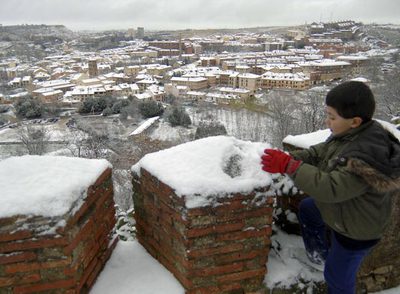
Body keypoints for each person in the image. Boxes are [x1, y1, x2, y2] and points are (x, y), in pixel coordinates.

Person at [261, 81, 400, 293]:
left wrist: (289, 166)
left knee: (336, 278)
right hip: (345, 209)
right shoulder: (351, 134)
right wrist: (289, 158)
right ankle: (320, 256)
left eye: (332, 117)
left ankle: (330, 266)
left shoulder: (364, 158)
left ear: (354, 121)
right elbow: (319, 153)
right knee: (308, 208)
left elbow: (330, 188)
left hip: (356, 231)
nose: (327, 121)